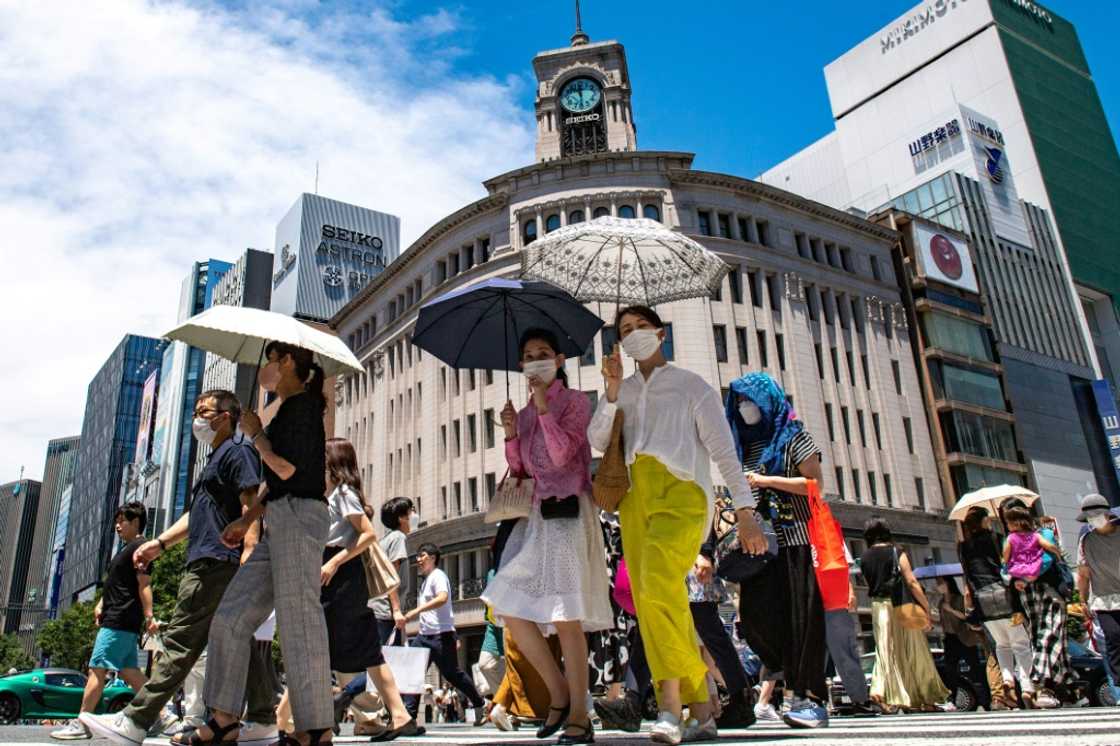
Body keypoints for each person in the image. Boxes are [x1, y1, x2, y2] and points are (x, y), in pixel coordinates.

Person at [587, 305, 764, 745]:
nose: (632, 336)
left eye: (640, 327)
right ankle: (702, 707)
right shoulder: (622, 390)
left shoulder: (691, 385)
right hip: (634, 498)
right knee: (653, 599)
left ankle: (669, 705)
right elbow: (596, 441)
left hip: (683, 493)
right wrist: (610, 392)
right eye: (624, 330)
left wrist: (745, 512)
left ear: (660, 333)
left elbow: (724, 452)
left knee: (659, 585)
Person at [79, 390, 280, 746]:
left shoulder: (237, 450)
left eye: (205, 412)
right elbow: (199, 513)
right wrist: (160, 544)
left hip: (216, 562)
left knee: (180, 641)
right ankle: (263, 719)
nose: (198, 419)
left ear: (228, 415)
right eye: (197, 411)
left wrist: (249, 550)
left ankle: (136, 720)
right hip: (209, 557)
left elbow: (251, 503)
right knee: (240, 640)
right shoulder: (216, 458)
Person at [193, 341, 333, 746]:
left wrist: (255, 436)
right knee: (231, 617)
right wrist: (247, 519)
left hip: (301, 517)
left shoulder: (303, 407)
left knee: (298, 621)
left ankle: (316, 727)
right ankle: (223, 719)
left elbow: (287, 469)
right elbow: (275, 481)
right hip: (280, 520)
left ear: (287, 362)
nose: (264, 370)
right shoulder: (287, 409)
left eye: (270, 361)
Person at [482, 327, 613, 745]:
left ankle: (579, 712)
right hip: (536, 518)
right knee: (507, 603)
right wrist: (509, 433)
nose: (534, 360)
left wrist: (541, 407)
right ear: (521, 365)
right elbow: (520, 470)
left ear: (559, 360)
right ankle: (559, 693)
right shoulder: (520, 413)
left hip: (570, 513)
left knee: (566, 615)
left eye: (543, 353)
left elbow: (561, 455)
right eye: (528, 355)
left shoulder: (575, 403)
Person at [724, 372, 829, 729]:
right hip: (759, 547)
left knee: (803, 619)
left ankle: (809, 697)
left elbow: (814, 486)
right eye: (737, 401)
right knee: (755, 618)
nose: (744, 408)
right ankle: (784, 674)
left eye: (749, 399)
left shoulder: (795, 436)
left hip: (797, 539)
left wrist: (767, 481)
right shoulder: (746, 446)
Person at [320, 438, 422, 742]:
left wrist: (335, 562)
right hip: (335, 572)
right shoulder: (331, 493)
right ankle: (400, 715)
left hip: (341, 574)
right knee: (368, 651)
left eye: (322, 455)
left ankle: (293, 719)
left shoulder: (343, 493)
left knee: (318, 645)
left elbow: (367, 534)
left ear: (334, 462)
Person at [52, 503, 157, 741]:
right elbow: (117, 583)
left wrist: (150, 616)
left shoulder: (141, 548)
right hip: (118, 616)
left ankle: (82, 722)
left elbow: (145, 584)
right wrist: (101, 603)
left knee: (97, 669)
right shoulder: (128, 549)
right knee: (130, 673)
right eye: (116, 521)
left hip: (120, 619)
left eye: (122, 521)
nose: (117, 526)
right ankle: (161, 715)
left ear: (136, 522)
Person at [332, 496, 417, 720]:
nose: (414, 516)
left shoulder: (387, 538)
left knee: (380, 659)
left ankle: (397, 713)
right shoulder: (398, 538)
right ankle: (344, 697)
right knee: (382, 660)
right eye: (411, 511)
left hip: (377, 605)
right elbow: (393, 576)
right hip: (387, 610)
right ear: (401, 518)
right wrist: (397, 610)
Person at [859, 519, 949, 712]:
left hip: (878, 606)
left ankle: (881, 689)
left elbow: (869, 584)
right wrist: (926, 607)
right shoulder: (896, 552)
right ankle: (927, 698)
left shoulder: (864, 557)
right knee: (915, 650)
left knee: (885, 650)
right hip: (902, 604)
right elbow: (911, 581)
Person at [401, 543, 486, 725]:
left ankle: (479, 703)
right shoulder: (425, 582)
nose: (418, 560)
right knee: (413, 673)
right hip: (424, 636)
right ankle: (409, 717)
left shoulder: (438, 576)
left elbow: (443, 598)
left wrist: (416, 611)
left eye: (422, 555)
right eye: (417, 556)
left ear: (432, 558)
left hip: (441, 636)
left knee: (452, 675)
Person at [958, 506, 1033, 709]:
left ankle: (1007, 679)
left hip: (983, 602)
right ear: (984, 521)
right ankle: (1027, 686)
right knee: (1021, 644)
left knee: (1001, 645)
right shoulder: (997, 538)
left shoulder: (963, 546)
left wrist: (970, 609)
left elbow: (967, 581)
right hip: (1006, 598)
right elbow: (1008, 565)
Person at [999, 499, 1067, 708]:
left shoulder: (1036, 534)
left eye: (1008, 516)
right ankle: (1048, 687)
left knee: (1049, 634)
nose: (1006, 521)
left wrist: (1017, 575)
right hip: (1028, 591)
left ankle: (1048, 684)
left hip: (1046, 589)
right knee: (1043, 634)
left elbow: (1006, 561)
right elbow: (1050, 552)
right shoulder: (1028, 536)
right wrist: (1012, 577)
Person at [1076, 494, 1120, 702]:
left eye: (1096, 515)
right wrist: (1082, 600)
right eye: (1089, 517)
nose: (1093, 520)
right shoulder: (1086, 541)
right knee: (1113, 638)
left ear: (1107, 514)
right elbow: (1083, 574)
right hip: (1104, 600)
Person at [935, 576, 989, 710]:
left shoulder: (959, 599)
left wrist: (951, 610)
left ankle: (985, 700)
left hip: (964, 638)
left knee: (975, 670)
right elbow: (943, 623)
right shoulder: (941, 602)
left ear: (948, 584)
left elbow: (966, 617)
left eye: (941, 583)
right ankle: (952, 700)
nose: (938, 586)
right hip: (949, 639)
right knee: (950, 671)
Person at [1002, 506, 1062, 584]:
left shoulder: (1010, 538)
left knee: (1005, 571)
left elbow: (1006, 553)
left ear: (1016, 524)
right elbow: (1049, 546)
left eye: (1008, 523)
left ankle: (1021, 580)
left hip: (1018, 567)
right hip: (1035, 567)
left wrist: (1005, 562)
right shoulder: (1035, 535)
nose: (1007, 525)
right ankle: (1030, 579)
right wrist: (1058, 553)